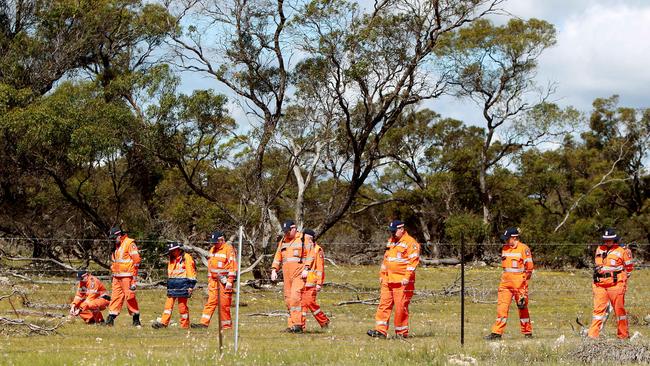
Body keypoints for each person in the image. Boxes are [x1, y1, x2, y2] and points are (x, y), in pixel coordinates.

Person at [367, 220, 420, 339]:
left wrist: (406, 277)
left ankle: (401, 333)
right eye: (391, 231)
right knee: (383, 305)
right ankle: (380, 331)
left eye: (394, 231)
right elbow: (386, 260)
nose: (392, 234)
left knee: (401, 307)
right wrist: (382, 275)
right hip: (388, 280)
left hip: (402, 282)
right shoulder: (391, 241)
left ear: (401, 229)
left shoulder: (411, 243)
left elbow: (413, 262)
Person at [484, 227, 534, 340]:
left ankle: (527, 333)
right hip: (505, 284)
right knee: (502, 308)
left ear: (514, 238)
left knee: (522, 307)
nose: (506, 241)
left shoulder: (524, 249)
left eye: (507, 239)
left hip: (519, 284)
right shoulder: (505, 248)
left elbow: (529, 268)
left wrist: (523, 286)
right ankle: (496, 333)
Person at [588, 228, 634, 339]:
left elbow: (629, 268)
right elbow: (598, 264)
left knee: (619, 311)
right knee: (598, 311)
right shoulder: (599, 249)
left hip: (616, 284)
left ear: (615, 239)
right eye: (605, 240)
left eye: (610, 240)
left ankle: (623, 336)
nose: (607, 242)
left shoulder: (622, 250)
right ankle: (592, 336)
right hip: (600, 284)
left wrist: (620, 278)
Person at [270, 220, 313, 333]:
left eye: (288, 231)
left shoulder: (303, 239)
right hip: (287, 276)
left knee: (295, 297)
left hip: (299, 274)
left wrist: (306, 268)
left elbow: (311, 254)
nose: (286, 233)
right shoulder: (283, 240)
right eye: (285, 231)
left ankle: (298, 325)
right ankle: (291, 325)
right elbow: (277, 256)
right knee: (288, 299)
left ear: (294, 228)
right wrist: (274, 269)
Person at [193, 231, 238, 329]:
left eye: (216, 242)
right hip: (213, 281)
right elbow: (210, 267)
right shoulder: (213, 249)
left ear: (222, 240)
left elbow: (233, 267)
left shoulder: (228, 249)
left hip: (224, 282)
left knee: (224, 305)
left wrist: (229, 282)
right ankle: (203, 323)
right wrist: (210, 281)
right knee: (210, 302)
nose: (214, 244)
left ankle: (226, 327)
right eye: (213, 242)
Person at [152, 242, 197, 329]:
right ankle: (163, 323)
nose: (170, 253)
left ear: (176, 250)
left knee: (182, 306)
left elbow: (191, 272)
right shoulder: (171, 258)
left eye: (171, 251)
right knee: (168, 305)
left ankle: (185, 325)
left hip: (183, 284)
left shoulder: (186, 257)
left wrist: (191, 286)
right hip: (172, 284)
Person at [106, 226, 142, 327]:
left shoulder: (129, 243)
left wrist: (134, 278)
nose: (113, 240)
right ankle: (110, 319)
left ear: (119, 235)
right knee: (115, 297)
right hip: (117, 276)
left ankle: (136, 318)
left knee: (130, 297)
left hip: (127, 276)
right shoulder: (117, 245)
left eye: (114, 237)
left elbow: (137, 260)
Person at [301, 229, 330, 329]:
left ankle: (324, 320)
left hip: (312, 282)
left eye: (307, 238)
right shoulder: (303, 249)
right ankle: (301, 326)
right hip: (302, 282)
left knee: (309, 302)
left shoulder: (317, 250)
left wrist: (319, 283)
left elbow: (320, 268)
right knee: (302, 305)